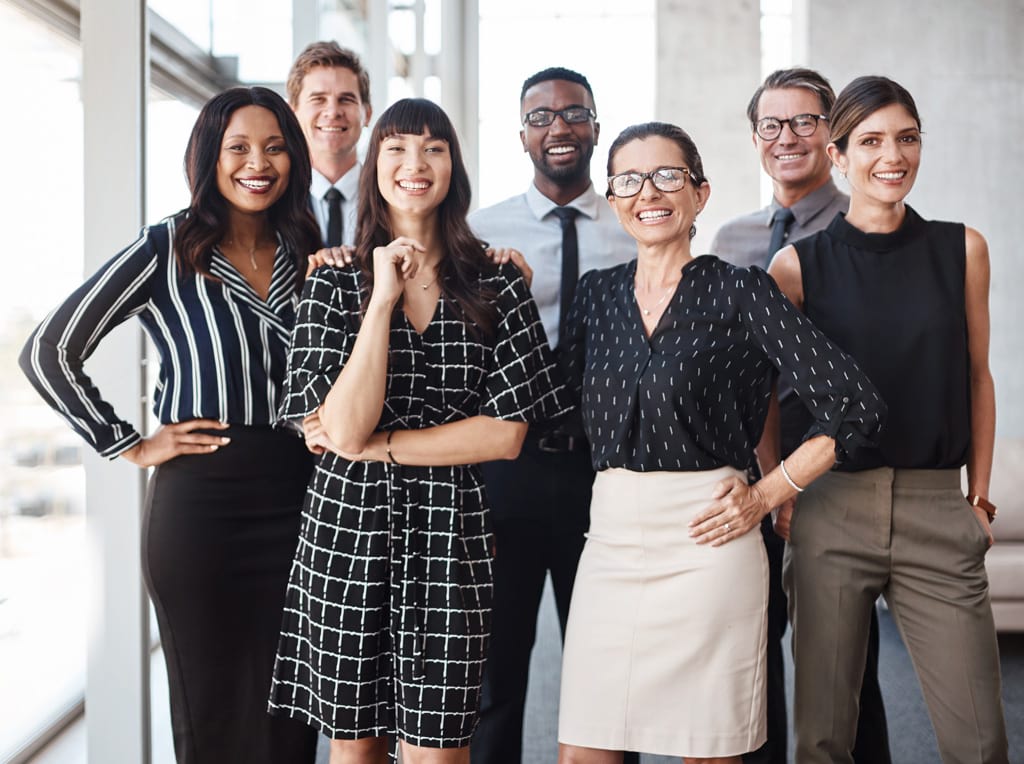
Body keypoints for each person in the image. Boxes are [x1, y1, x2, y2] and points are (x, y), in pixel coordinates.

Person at [555, 121, 886, 763]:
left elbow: (856, 405)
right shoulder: (595, 295)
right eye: (629, 178)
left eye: (668, 175)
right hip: (610, 545)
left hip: (710, 541)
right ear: (614, 197)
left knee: (706, 751)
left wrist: (768, 493)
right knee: (584, 751)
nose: (648, 191)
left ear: (700, 195)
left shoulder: (741, 291)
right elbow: (551, 412)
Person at [19, 87, 322, 763]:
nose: (258, 162)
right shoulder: (168, 246)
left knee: (291, 712)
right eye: (237, 147)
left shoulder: (310, 249)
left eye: (274, 146)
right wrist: (127, 442)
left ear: (293, 159)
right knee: (208, 707)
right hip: (201, 503)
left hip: (301, 496)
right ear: (209, 157)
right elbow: (48, 349)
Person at [267, 97, 572, 764]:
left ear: (453, 169)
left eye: (433, 148)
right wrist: (380, 300)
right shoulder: (333, 284)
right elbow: (343, 428)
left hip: (451, 539)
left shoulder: (498, 282)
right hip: (348, 535)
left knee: (441, 751)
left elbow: (505, 436)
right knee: (357, 749)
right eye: (398, 148)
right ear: (375, 165)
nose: (415, 164)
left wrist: (384, 448)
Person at [768, 75, 1009, 764]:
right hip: (833, 509)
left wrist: (980, 498)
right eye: (870, 141)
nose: (891, 156)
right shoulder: (796, 267)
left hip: (938, 508)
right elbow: (766, 394)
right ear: (837, 156)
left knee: (980, 740)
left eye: (906, 138)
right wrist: (776, 486)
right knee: (822, 739)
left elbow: (976, 376)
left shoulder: (962, 249)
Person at [710, 68, 890, 764]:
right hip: (748, 479)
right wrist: (758, 478)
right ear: (756, 138)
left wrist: (799, 477)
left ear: (834, 133)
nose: (788, 138)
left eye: (806, 122)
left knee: (847, 675)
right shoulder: (729, 240)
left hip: (837, 480)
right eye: (771, 125)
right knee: (749, 665)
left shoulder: (865, 227)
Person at [468, 66, 637, 764]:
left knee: (609, 673)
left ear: (595, 126)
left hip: (606, 475)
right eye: (542, 117)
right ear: (522, 135)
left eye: (574, 114)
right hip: (506, 471)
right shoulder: (479, 233)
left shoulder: (637, 225)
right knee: (495, 677)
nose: (558, 127)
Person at [288, 40, 372, 247]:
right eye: (318, 99)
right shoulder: (274, 200)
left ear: (367, 114)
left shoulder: (390, 198)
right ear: (293, 114)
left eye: (346, 99)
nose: (333, 112)